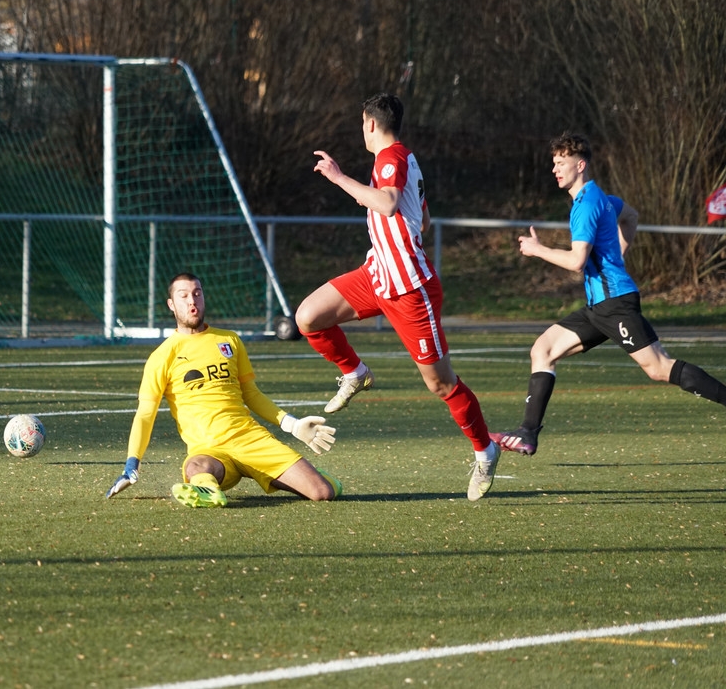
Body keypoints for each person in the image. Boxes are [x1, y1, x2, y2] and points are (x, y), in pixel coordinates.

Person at [295, 92, 500, 503]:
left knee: (441, 384)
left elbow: (388, 204)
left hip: (410, 290)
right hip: (377, 276)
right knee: (308, 317)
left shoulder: (391, 157)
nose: (362, 129)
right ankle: (355, 372)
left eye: (361, 123)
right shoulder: (401, 159)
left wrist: (337, 177)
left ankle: (485, 450)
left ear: (370, 123)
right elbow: (422, 218)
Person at [491, 132, 726, 456]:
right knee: (542, 350)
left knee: (658, 367)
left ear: (580, 165)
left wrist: (538, 249)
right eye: (554, 163)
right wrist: (617, 257)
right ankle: (527, 434)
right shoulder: (601, 198)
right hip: (598, 308)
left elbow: (577, 261)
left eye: (561, 163)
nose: (555, 169)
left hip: (614, 305)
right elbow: (631, 216)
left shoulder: (586, 205)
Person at [105, 272, 342, 508]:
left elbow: (251, 394)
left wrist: (292, 425)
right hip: (209, 450)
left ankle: (307, 478)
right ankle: (206, 491)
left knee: (322, 492)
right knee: (195, 467)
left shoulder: (229, 340)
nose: (192, 301)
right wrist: (132, 463)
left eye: (197, 294)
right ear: (171, 304)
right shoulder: (162, 356)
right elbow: (145, 414)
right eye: (183, 296)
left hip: (250, 439)